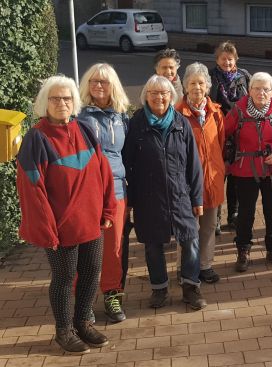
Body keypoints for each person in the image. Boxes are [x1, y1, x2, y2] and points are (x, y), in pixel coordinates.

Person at [16, 75, 116, 354]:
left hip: (91, 222)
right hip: (60, 228)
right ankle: (64, 331)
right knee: (63, 278)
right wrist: (47, 230)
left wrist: (108, 209)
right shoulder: (37, 138)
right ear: (44, 102)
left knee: (90, 273)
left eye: (67, 98)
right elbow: (31, 189)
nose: (62, 103)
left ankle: (82, 322)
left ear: (75, 102)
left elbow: (103, 172)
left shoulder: (83, 130)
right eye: (56, 98)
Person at [122, 75, 207, 310]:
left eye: (164, 93)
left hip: (180, 195)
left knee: (190, 240)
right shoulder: (136, 125)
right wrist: (130, 200)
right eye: (154, 93)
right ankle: (159, 289)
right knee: (152, 244)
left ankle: (191, 287)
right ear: (145, 96)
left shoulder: (181, 124)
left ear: (171, 96)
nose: (159, 97)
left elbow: (194, 164)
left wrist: (197, 198)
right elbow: (127, 164)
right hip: (148, 198)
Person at [224, 72, 272, 272]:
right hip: (245, 169)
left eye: (266, 89)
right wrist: (225, 160)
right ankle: (243, 250)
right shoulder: (238, 111)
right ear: (250, 89)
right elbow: (222, 134)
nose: (261, 93)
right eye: (257, 88)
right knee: (246, 212)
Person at [78, 63, 129, 323]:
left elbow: (126, 152)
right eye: (94, 81)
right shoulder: (79, 116)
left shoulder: (121, 116)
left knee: (114, 248)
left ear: (113, 86)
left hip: (117, 190)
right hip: (87, 192)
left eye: (104, 82)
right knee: (85, 247)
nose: (98, 85)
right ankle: (83, 302)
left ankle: (112, 294)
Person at [175, 62, 226, 284]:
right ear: (185, 86)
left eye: (201, 83)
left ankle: (205, 265)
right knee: (188, 228)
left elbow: (221, 144)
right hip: (188, 183)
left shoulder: (216, 113)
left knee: (209, 226)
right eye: (192, 83)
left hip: (213, 179)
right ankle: (184, 267)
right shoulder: (178, 113)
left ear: (208, 86)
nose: (197, 87)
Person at [209, 41, 252, 234]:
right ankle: (215, 217)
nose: (227, 62)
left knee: (236, 176)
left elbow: (252, 100)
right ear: (217, 60)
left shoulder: (245, 76)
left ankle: (233, 215)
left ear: (236, 59)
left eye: (230, 58)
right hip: (218, 132)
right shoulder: (211, 77)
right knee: (219, 176)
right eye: (223, 58)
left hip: (240, 133)